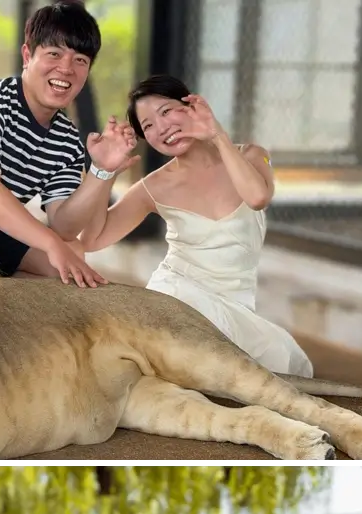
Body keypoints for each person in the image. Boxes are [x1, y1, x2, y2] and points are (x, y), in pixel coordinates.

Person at [80, 74, 313, 377]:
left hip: (238, 308)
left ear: (191, 104)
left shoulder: (252, 155)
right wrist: (104, 171)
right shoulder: (154, 186)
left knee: (287, 364)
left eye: (166, 111)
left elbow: (257, 197)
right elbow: (92, 238)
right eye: (148, 125)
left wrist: (216, 134)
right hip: (179, 293)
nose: (162, 128)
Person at [0, 2, 138, 288]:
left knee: (72, 252)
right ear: (28, 55)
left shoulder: (66, 139)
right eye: (54, 54)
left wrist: (102, 170)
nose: (66, 69)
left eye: (80, 61)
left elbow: (64, 226)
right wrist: (50, 243)